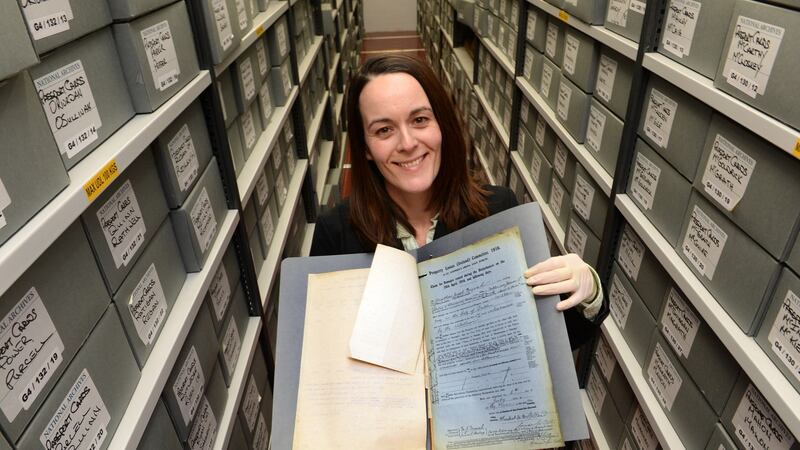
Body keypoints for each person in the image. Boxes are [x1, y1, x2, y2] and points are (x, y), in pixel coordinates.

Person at [310, 55, 607, 348]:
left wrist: (587, 291)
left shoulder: (497, 211)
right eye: (384, 130)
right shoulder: (334, 233)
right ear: (365, 148)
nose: (408, 143)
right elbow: (319, 350)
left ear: (442, 124)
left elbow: (554, 338)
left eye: (420, 120)